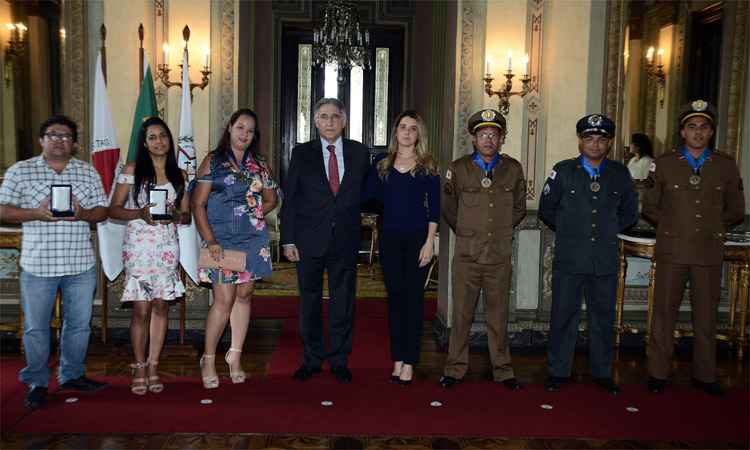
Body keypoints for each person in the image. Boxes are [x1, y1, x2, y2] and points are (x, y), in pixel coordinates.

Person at [0, 115, 110, 409]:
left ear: (74, 143)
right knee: (36, 327)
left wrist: (84, 213)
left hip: (79, 265)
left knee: (79, 326)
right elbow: (2, 210)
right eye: (53, 135)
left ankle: (72, 374)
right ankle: (36, 381)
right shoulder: (20, 172)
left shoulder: (87, 173)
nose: (59, 140)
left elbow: (102, 211)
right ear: (41, 140)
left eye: (65, 136)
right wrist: (35, 213)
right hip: (38, 266)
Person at [642, 100, 745, 396]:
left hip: (708, 251)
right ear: (682, 132)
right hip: (673, 251)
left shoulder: (725, 165)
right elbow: (650, 206)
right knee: (663, 313)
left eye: (703, 127)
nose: (698, 132)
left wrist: (712, 227)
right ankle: (658, 373)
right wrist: (674, 227)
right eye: (692, 127)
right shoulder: (664, 163)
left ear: (711, 132)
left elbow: (736, 209)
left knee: (706, 316)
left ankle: (705, 374)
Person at [538, 114, 638, 395]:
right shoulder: (564, 171)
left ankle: (603, 373)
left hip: (604, 259)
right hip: (570, 258)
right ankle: (558, 371)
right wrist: (572, 232)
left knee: (602, 318)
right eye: (589, 138)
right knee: (563, 316)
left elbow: (630, 213)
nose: (595, 144)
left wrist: (606, 231)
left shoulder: (619, 174)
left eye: (602, 139)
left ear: (609, 143)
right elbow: (547, 209)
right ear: (581, 141)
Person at [281, 98, 372, 384]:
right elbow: (291, 198)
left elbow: (368, 193)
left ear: (344, 121)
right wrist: (287, 239)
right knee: (309, 301)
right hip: (309, 240)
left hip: (345, 238)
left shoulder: (359, 152)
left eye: (335, 116)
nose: (330, 121)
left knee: (343, 301)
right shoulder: (301, 153)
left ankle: (340, 360)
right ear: (316, 122)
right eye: (324, 116)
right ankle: (311, 359)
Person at [439, 108, 526, 391]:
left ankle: (503, 370)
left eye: (494, 134)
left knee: (498, 316)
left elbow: (519, 208)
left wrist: (497, 233)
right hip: (467, 256)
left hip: (498, 257)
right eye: (482, 134)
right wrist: (468, 232)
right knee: (461, 315)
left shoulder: (512, 169)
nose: (488, 139)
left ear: (501, 139)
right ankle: (454, 368)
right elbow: (449, 208)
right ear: (474, 139)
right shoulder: (459, 168)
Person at [192, 108, 278, 389]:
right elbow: (198, 204)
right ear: (229, 128)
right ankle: (208, 358)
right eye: (240, 127)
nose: (245, 134)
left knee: (245, 295)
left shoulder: (260, 165)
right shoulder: (213, 162)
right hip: (222, 240)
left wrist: (255, 211)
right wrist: (210, 240)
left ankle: (235, 357)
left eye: (250, 130)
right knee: (224, 299)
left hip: (252, 239)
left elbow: (271, 199)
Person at [108, 116, 190, 395]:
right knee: (141, 309)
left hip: (166, 248)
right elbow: (114, 209)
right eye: (153, 137)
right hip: (139, 247)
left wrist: (175, 215)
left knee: (161, 306)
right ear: (144, 143)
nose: (159, 141)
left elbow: (187, 215)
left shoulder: (180, 174)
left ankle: (154, 366)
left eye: (163, 136)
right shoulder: (132, 170)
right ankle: (139, 365)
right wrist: (139, 213)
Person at [368, 110, 440, 386]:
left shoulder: (427, 166)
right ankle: (397, 358)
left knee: (413, 302)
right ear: (395, 132)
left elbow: (434, 209)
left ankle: (410, 361)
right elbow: (371, 198)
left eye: (412, 128)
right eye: (402, 127)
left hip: (417, 241)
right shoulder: (382, 165)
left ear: (418, 134)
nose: (407, 132)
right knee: (395, 301)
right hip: (390, 241)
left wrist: (429, 243)